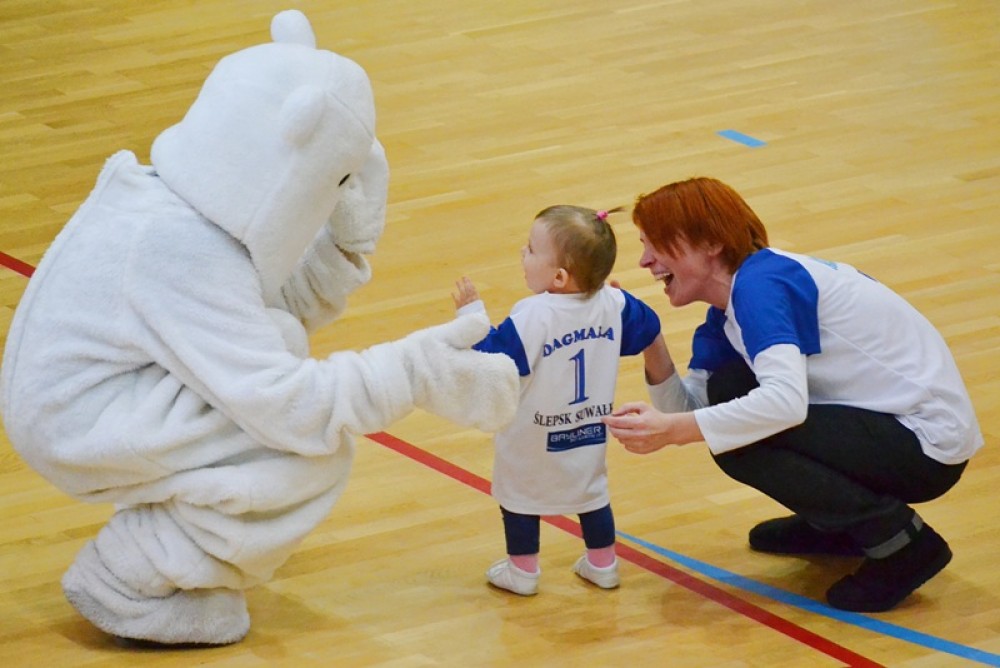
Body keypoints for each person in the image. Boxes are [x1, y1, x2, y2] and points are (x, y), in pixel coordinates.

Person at [0, 11, 518, 646]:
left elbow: (262, 314)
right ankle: (129, 577)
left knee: (279, 341)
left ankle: (180, 515)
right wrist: (415, 371)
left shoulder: (178, 208)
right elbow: (290, 407)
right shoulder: (179, 249)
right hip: (81, 422)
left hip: (88, 395)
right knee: (306, 455)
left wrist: (344, 245)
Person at [602, 176, 984, 612]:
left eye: (655, 244)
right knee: (729, 399)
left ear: (710, 243)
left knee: (741, 434)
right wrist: (649, 338)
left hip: (923, 444)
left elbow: (781, 404)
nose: (645, 261)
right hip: (885, 429)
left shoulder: (762, 285)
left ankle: (902, 544)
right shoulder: (728, 310)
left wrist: (672, 430)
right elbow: (692, 411)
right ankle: (837, 525)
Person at [452, 205, 672, 596]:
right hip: (588, 429)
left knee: (520, 498)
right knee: (592, 493)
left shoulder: (533, 314)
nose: (522, 253)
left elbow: (492, 360)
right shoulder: (613, 303)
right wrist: (617, 300)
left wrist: (471, 315)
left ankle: (523, 571)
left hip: (533, 435)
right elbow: (647, 327)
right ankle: (604, 564)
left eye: (531, 249)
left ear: (559, 277)